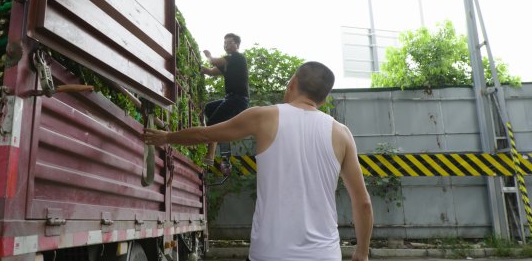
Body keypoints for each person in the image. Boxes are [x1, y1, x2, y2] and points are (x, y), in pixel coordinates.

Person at [141, 62, 373, 261]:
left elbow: (206, 133)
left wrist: (167, 137)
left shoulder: (263, 117)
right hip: (325, 254)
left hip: (270, 252)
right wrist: (361, 253)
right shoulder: (342, 134)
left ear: (292, 83)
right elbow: (362, 203)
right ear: (323, 98)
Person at [200, 33, 249, 167]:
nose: (226, 45)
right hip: (231, 98)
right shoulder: (228, 63)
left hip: (238, 99)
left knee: (213, 124)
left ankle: (210, 157)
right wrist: (202, 70)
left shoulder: (237, 58)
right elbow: (211, 71)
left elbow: (214, 61)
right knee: (209, 108)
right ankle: (217, 135)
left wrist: (209, 55)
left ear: (237, 45)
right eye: (225, 43)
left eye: (229, 42)